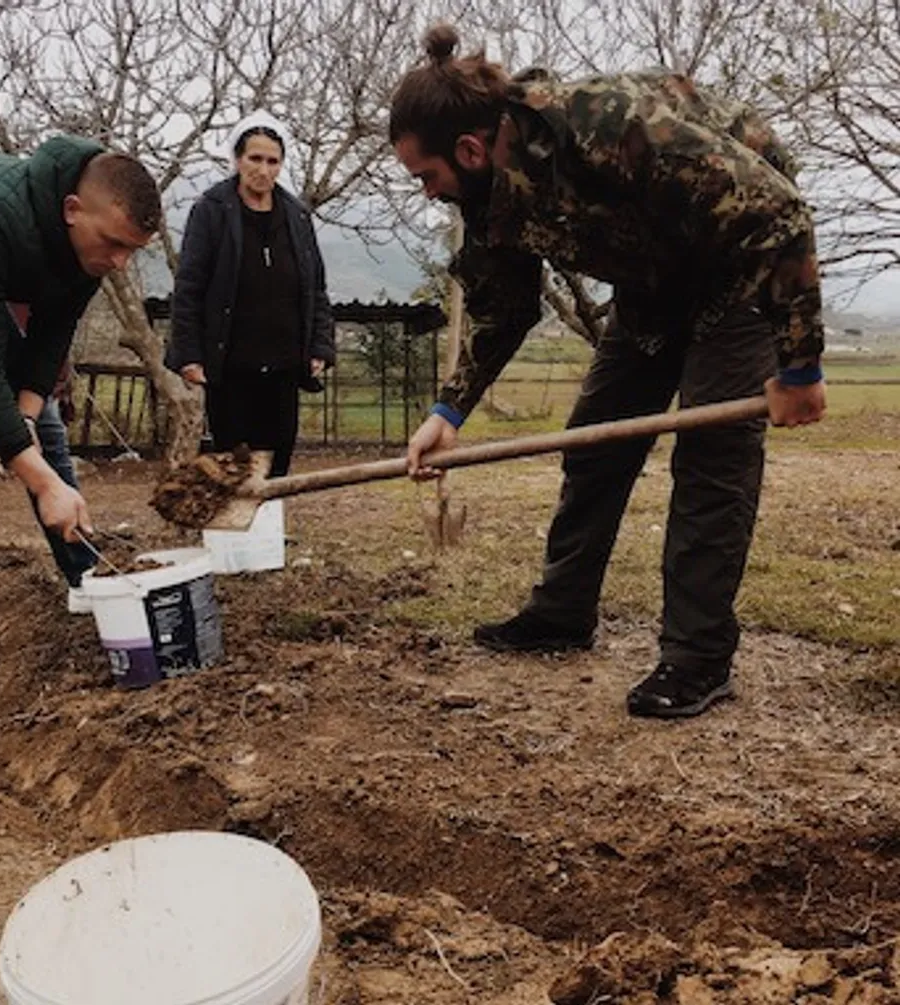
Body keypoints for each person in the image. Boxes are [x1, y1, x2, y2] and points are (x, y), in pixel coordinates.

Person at [390, 26, 827, 719]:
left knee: (712, 458)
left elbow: (777, 211)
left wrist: (800, 361)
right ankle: (562, 611)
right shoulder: (490, 197)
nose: (425, 192)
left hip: (741, 266)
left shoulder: (605, 126)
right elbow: (502, 310)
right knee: (594, 440)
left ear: (468, 150)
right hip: (656, 285)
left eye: (427, 176)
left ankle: (697, 656)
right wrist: (447, 415)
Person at [0, 136, 161, 582]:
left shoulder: (91, 252)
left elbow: (49, 341)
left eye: (131, 250)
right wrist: (41, 482)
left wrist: (25, 416)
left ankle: (88, 579)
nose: (120, 263)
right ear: (72, 210)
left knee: (44, 426)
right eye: (114, 244)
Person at [167, 112, 335, 476]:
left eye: (273, 161)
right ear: (237, 160)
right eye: (255, 158)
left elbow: (315, 288)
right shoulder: (211, 212)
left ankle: (269, 533)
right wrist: (189, 355)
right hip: (231, 367)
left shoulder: (297, 216)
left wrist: (319, 345)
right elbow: (189, 288)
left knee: (278, 457)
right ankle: (237, 533)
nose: (263, 169)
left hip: (284, 364)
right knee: (234, 462)